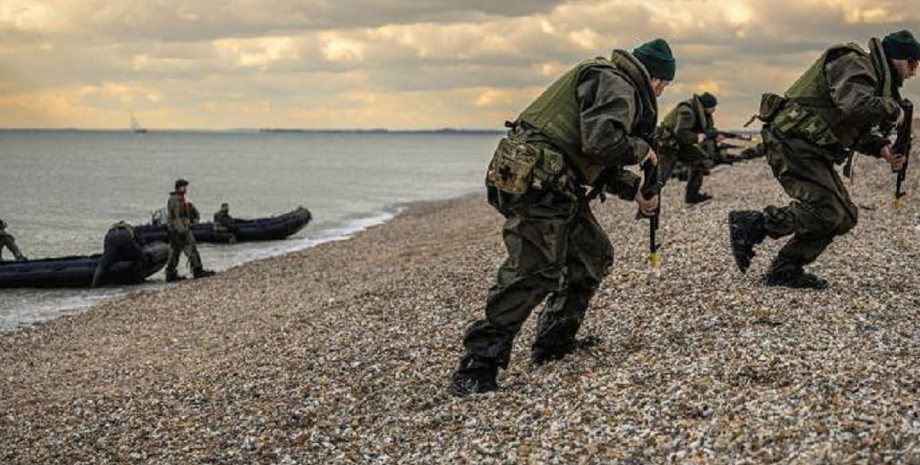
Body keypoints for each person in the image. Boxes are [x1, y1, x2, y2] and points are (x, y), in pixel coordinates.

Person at [448, 38, 673, 396]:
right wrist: (643, 152)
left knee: (591, 255)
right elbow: (601, 144)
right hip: (542, 183)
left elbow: (587, 154)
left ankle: (554, 343)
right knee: (535, 269)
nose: (661, 93)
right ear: (656, 78)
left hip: (553, 181)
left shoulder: (610, 79)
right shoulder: (618, 84)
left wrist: (635, 191)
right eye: (664, 84)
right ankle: (477, 365)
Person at [729, 30, 918, 289]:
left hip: (809, 148)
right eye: (912, 63)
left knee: (844, 216)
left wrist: (884, 150)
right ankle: (754, 224)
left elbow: (851, 127)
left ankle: (785, 268)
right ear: (897, 58)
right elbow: (855, 107)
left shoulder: (870, 79)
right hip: (792, 142)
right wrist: (892, 109)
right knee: (828, 211)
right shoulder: (854, 62)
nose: (913, 72)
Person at [656, 92, 719, 203]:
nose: (714, 110)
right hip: (668, 145)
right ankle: (646, 203)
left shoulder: (702, 113)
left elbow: (706, 130)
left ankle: (692, 196)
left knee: (700, 161)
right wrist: (696, 137)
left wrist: (715, 136)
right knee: (661, 177)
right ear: (706, 106)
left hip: (681, 144)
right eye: (713, 107)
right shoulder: (687, 111)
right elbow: (681, 132)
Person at [165, 179, 215, 282]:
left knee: (176, 252)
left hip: (178, 229)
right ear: (179, 187)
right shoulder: (174, 199)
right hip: (179, 230)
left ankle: (171, 273)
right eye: (184, 186)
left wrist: (194, 219)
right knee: (189, 249)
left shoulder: (181, 199)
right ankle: (197, 270)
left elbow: (184, 214)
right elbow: (175, 217)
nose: (186, 188)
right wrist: (181, 230)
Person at [92, 221, 145, 287]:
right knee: (138, 258)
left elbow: (107, 249)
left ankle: (95, 284)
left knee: (103, 265)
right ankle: (138, 280)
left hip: (110, 236)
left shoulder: (113, 228)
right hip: (125, 236)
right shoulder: (131, 229)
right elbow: (140, 245)